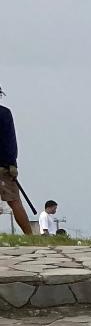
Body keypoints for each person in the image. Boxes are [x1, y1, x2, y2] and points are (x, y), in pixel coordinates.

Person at [0, 86, 33, 235]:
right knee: (14, 201)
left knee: (15, 202)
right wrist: (12, 163)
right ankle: (29, 235)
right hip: (4, 165)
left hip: (4, 164)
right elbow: (10, 141)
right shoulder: (4, 113)